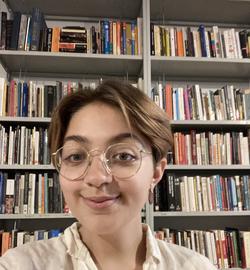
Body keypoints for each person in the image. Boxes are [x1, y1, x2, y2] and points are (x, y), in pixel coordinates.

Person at [0, 80, 217, 270]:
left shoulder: (195, 266)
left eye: (123, 155)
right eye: (76, 157)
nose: (96, 177)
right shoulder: (19, 265)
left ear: (156, 172)